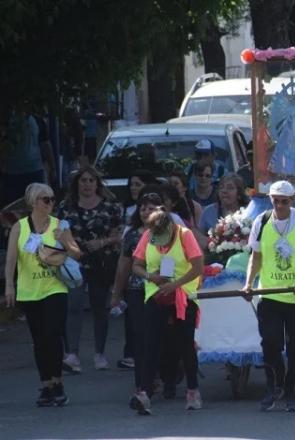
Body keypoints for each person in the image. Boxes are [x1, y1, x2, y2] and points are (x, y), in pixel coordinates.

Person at [243, 181, 295, 412]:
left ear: (293, 200)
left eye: (284, 201)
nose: (279, 205)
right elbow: (255, 257)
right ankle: (274, 385)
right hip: (269, 295)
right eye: (275, 200)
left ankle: (292, 390)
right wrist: (249, 284)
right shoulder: (262, 220)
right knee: (270, 342)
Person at [4, 183, 81, 406]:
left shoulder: (59, 225)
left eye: (52, 199)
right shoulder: (20, 227)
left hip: (54, 287)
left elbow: (77, 253)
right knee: (39, 340)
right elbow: (11, 260)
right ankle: (46, 384)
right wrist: (10, 285)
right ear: (33, 202)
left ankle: (58, 382)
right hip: (29, 290)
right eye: (46, 200)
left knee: (52, 334)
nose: (50, 204)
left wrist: (65, 240)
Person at [130, 207, 204, 414]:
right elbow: (136, 265)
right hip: (156, 296)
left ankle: (192, 390)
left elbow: (198, 267)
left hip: (183, 296)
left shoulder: (185, 235)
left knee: (185, 344)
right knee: (151, 345)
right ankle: (144, 393)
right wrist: (150, 276)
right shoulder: (148, 235)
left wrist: (175, 284)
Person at [56, 167, 123, 373]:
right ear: (77, 183)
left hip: (101, 262)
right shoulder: (65, 207)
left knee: (99, 307)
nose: (87, 184)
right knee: (73, 306)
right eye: (83, 180)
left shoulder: (111, 207)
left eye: (91, 180)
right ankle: (72, 354)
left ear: (97, 183)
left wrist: (102, 242)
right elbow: (57, 233)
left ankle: (100, 353)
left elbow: (119, 235)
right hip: (74, 263)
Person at [110, 192, 161, 403]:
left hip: (161, 291)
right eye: (142, 208)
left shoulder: (169, 233)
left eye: (150, 208)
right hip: (136, 291)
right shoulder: (131, 235)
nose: (146, 212)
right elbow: (123, 266)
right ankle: (142, 385)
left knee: (157, 338)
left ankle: (160, 378)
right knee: (140, 339)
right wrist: (116, 293)